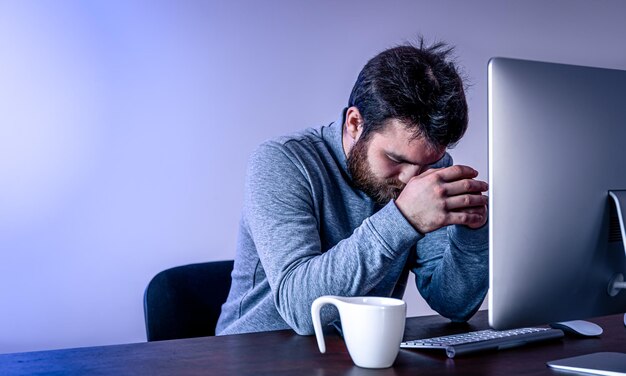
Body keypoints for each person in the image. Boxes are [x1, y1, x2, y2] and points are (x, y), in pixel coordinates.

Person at [216, 40, 489, 336]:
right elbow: (301, 311)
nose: (412, 179)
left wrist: (472, 233)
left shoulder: (429, 169)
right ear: (355, 123)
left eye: (427, 164)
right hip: (257, 354)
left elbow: (453, 305)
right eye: (395, 159)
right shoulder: (281, 161)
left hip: (361, 353)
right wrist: (404, 218)